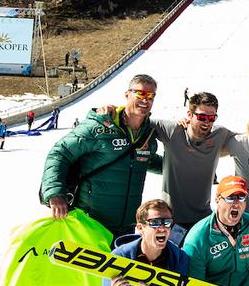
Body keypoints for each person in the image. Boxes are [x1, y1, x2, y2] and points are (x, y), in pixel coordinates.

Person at [41, 75, 161, 239]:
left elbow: (149, 161)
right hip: (90, 223)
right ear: (127, 94)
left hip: (126, 227)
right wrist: (55, 193)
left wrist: (191, 167)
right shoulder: (101, 125)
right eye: (140, 94)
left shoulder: (148, 134)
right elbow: (60, 153)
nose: (145, 100)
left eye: (150, 96)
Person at [152, 91, 235, 232]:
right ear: (189, 115)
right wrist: (112, 111)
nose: (207, 122)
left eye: (211, 118)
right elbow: (137, 120)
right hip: (171, 221)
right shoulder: (172, 131)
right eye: (202, 117)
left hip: (203, 220)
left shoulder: (219, 135)